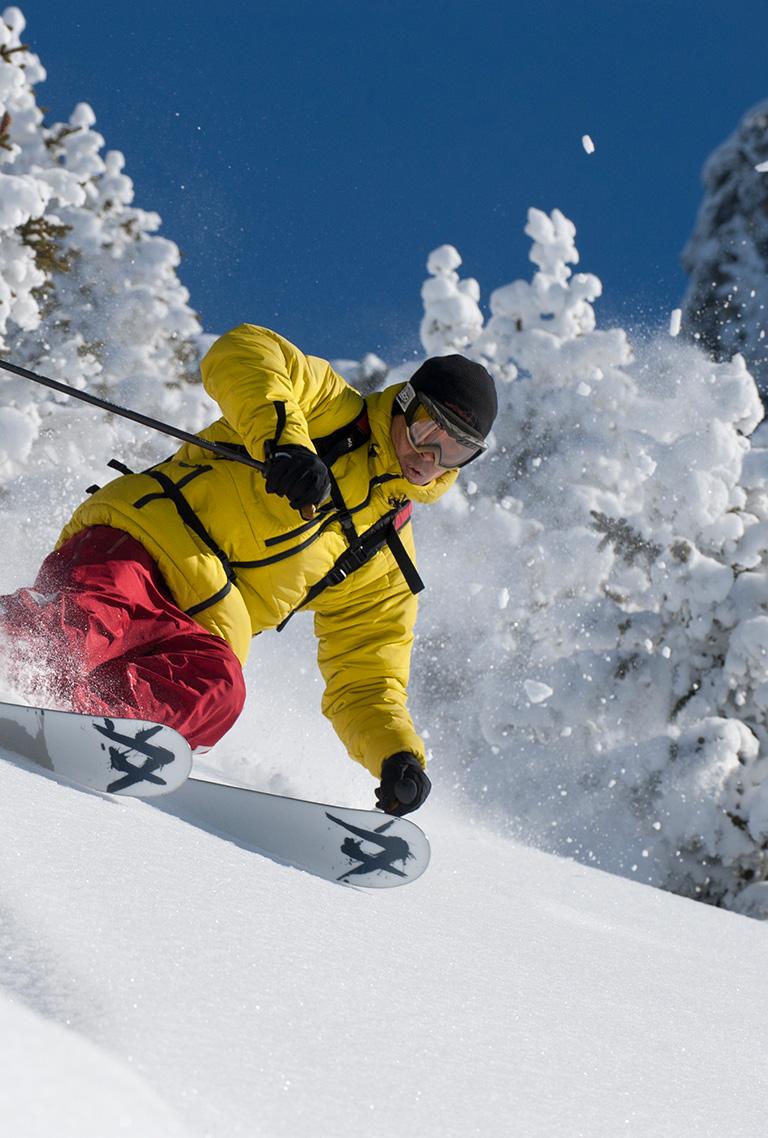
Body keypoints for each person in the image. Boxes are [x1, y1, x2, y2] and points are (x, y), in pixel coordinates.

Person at [0, 325, 497, 815]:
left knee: (219, 691)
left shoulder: (384, 555)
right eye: (428, 431)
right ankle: (14, 661)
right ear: (404, 404)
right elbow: (245, 350)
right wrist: (287, 443)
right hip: (139, 544)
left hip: (202, 628)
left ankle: (79, 715)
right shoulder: (329, 410)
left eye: (455, 451)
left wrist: (397, 754)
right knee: (91, 621)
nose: (430, 457)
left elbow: (366, 676)